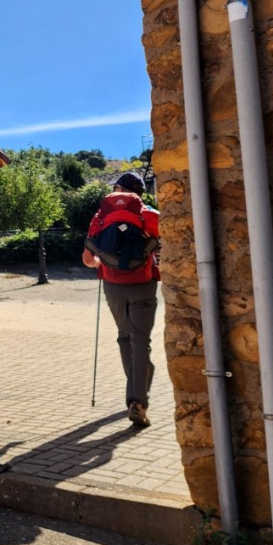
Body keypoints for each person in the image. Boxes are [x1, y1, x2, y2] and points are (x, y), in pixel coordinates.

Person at [82, 172, 160, 428]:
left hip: (113, 286)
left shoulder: (100, 217)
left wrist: (101, 262)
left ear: (117, 189)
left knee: (125, 337)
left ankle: (137, 391)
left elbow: (88, 258)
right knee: (141, 341)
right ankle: (138, 400)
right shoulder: (149, 214)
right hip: (143, 285)